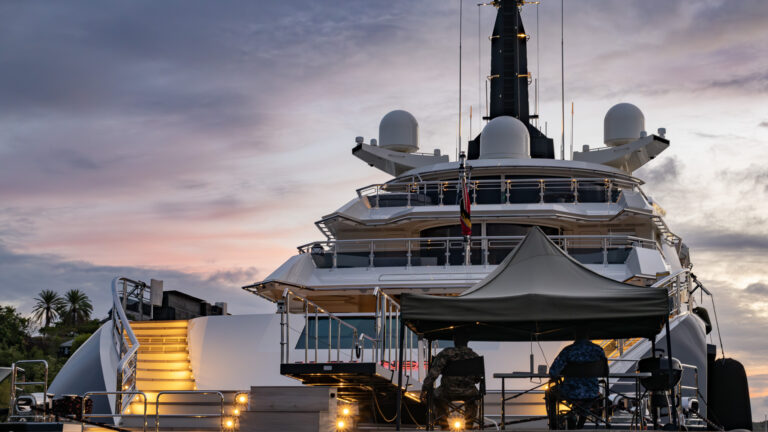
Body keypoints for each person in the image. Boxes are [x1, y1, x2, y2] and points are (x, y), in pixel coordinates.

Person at [420, 331, 481, 427]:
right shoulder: (474, 356)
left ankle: (444, 424)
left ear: (454, 340)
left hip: (447, 391)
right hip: (469, 392)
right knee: (473, 399)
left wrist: (424, 389)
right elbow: (477, 379)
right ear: (467, 341)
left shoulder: (446, 353)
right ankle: (469, 424)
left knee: (436, 395)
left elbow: (433, 374)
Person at [545, 334, 607, 429]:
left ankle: (553, 425)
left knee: (550, 392)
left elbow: (553, 372)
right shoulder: (598, 350)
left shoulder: (568, 350)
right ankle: (581, 422)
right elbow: (605, 372)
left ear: (575, 335)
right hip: (592, 392)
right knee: (587, 399)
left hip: (570, 392)